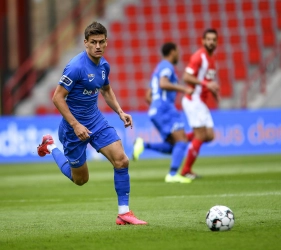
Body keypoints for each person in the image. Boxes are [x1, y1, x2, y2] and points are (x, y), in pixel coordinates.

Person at [37, 22, 147, 225]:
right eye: (93, 42)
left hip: (96, 121)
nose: (98, 46)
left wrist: (120, 112)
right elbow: (57, 98)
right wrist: (76, 125)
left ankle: (124, 213)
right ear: (85, 43)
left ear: (106, 42)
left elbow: (105, 90)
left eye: (101, 42)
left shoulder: (104, 65)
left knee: (121, 160)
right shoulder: (76, 67)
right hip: (73, 128)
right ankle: (50, 146)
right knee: (80, 180)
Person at [132, 42, 193, 183]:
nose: (179, 54)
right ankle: (172, 174)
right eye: (178, 51)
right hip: (165, 108)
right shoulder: (167, 66)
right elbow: (163, 84)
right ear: (172, 52)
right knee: (182, 140)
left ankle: (143, 144)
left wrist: (156, 106)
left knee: (174, 146)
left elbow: (148, 95)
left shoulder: (158, 69)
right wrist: (184, 89)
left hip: (156, 109)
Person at [180, 28, 220, 179]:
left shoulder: (212, 59)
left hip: (201, 102)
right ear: (203, 41)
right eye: (208, 39)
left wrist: (213, 91)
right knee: (201, 135)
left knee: (209, 135)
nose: (211, 42)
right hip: (193, 99)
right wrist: (206, 84)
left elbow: (207, 82)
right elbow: (186, 76)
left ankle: (181, 139)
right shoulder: (199, 57)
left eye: (214, 39)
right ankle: (186, 171)